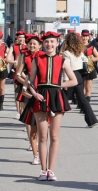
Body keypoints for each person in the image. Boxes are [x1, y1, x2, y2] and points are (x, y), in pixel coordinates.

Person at [27, 31, 77, 181]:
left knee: (54, 136)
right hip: (40, 97)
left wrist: (58, 85)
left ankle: (51, 170)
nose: (49, 44)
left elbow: (73, 80)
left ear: (57, 43)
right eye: (47, 42)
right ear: (43, 44)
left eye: (52, 42)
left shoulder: (62, 61)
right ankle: (43, 170)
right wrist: (35, 94)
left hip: (56, 97)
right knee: (43, 136)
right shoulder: (37, 59)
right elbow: (30, 82)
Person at [16, 34, 42, 165]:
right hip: (28, 90)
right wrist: (26, 83)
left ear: (39, 46)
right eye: (30, 44)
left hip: (41, 90)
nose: (32, 46)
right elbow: (18, 73)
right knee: (29, 119)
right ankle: (33, 145)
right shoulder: (24, 55)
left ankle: (38, 145)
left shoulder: (43, 56)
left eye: (34, 44)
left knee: (41, 121)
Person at [62, 33, 98, 128]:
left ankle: (53, 120)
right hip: (79, 76)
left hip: (70, 76)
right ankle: (92, 120)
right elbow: (86, 60)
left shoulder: (66, 53)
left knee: (63, 99)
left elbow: (66, 67)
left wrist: (65, 81)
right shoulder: (79, 52)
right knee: (82, 99)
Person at [6, 30, 26, 119]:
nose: (21, 39)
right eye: (20, 37)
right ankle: (18, 111)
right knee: (17, 92)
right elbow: (7, 59)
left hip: (26, 71)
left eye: (23, 37)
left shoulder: (29, 46)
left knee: (25, 91)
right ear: (17, 38)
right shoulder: (13, 46)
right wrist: (14, 62)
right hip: (17, 70)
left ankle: (24, 110)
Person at [80, 30, 98, 105]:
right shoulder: (78, 46)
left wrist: (91, 59)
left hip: (90, 69)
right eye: (83, 36)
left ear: (88, 37)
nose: (84, 38)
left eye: (86, 36)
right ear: (81, 37)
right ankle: (82, 104)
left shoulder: (91, 47)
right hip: (80, 69)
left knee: (88, 88)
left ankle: (87, 105)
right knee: (81, 89)